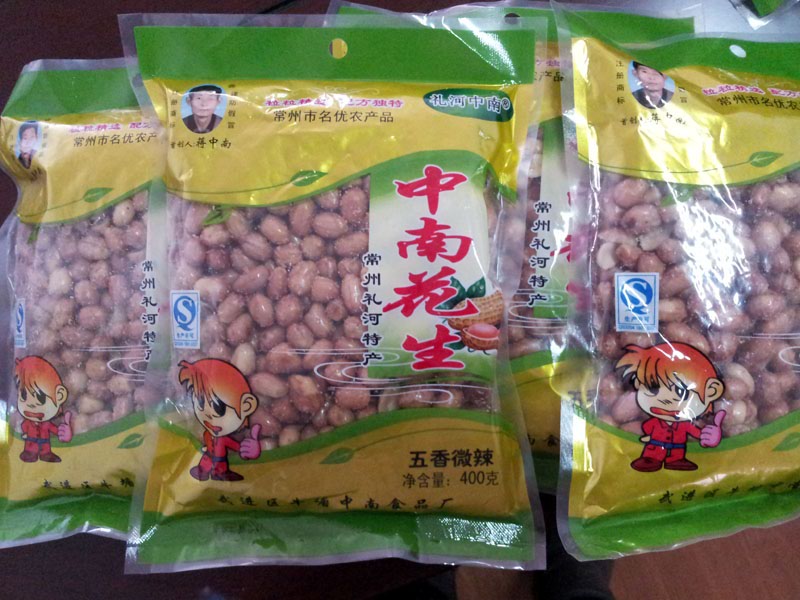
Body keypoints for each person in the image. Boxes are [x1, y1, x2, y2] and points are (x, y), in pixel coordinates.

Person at [616, 342, 726, 472]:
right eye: (653, 389)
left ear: (711, 391)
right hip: (654, 449)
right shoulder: (660, 421)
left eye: (681, 392)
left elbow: (696, 432)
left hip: (676, 451)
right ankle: (650, 459)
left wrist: (710, 436)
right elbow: (645, 427)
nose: (667, 400)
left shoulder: (684, 424)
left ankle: (675, 460)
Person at [178, 358, 261, 481]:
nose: (209, 416)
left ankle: (214, 473)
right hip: (207, 460)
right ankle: (202, 471)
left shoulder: (223, 437)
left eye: (219, 408)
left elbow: (238, 448)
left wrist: (250, 450)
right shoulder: (207, 434)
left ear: (247, 406)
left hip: (220, 463)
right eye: (200, 403)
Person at [15, 356, 73, 462]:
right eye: (23, 395)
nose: (31, 405)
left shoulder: (47, 423)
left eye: (40, 397)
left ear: (60, 395)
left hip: (45, 448)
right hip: (30, 446)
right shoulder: (28, 422)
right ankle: (29, 454)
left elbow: (56, 430)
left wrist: (65, 434)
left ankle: (46, 454)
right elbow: (22, 426)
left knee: (46, 453)